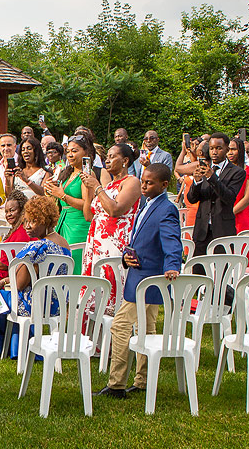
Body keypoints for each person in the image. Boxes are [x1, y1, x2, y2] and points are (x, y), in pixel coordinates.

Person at [99, 163, 183, 398]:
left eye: (149, 183)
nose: (143, 186)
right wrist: (127, 252)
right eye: (143, 181)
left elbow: (172, 241)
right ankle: (143, 380)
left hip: (148, 280)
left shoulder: (166, 209)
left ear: (164, 185)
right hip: (138, 272)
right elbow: (139, 237)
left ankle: (116, 384)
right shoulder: (146, 204)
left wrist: (173, 266)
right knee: (146, 329)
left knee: (120, 326)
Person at [0, 195, 69, 355]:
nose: (27, 226)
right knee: (0, 292)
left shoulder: (36, 247)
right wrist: (5, 281)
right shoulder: (63, 243)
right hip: (55, 304)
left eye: (32, 221)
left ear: (45, 220)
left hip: (33, 304)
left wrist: (6, 282)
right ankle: (11, 344)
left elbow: (19, 284)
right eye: (25, 221)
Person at [81, 142, 141, 313]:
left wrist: (97, 187)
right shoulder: (107, 187)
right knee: (95, 284)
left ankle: (116, 327)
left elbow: (115, 210)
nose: (107, 160)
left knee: (113, 282)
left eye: (112, 156)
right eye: (107, 157)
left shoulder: (132, 182)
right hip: (96, 241)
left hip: (115, 241)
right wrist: (88, 191)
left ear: (125, 160)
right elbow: (88, 215)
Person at [187, 132, 244, 256]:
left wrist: (212, 177)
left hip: (223, 229)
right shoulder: (203, 168)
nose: (214, 152)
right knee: (198, 269)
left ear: (227, 149)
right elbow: (191, 199)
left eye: (219, 148)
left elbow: (229, 197)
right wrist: (196, 182)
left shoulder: (237, 172)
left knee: (222, 270)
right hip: (202, 229)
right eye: (212, 148)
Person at [44, 135, 95, 269]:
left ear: (86, 152)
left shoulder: (87, 174)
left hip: (78, 225)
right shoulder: (68, 173)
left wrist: (62, 195)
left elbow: (86, 204)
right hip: (64, 221)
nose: (71, 155)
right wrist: (50, 190)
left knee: (75, 261)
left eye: (75, 151)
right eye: (68, 152)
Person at [226, 137, 249, 233]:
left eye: (234, 149)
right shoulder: (223, 170)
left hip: (240, 216)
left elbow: (247, 198)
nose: (230, 153)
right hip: (223, 217)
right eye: (228, 149)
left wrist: (230, 213)